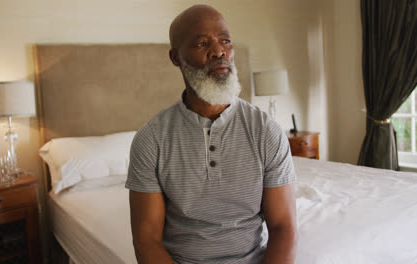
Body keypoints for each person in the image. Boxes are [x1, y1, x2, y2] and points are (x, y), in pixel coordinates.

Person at [126, 4, 297, 264]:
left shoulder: (266, 131)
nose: (218, 51)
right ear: (175, 58)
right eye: (202, 43)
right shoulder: (151, 140)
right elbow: (147, 240)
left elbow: (284, 227)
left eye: (225, 41)